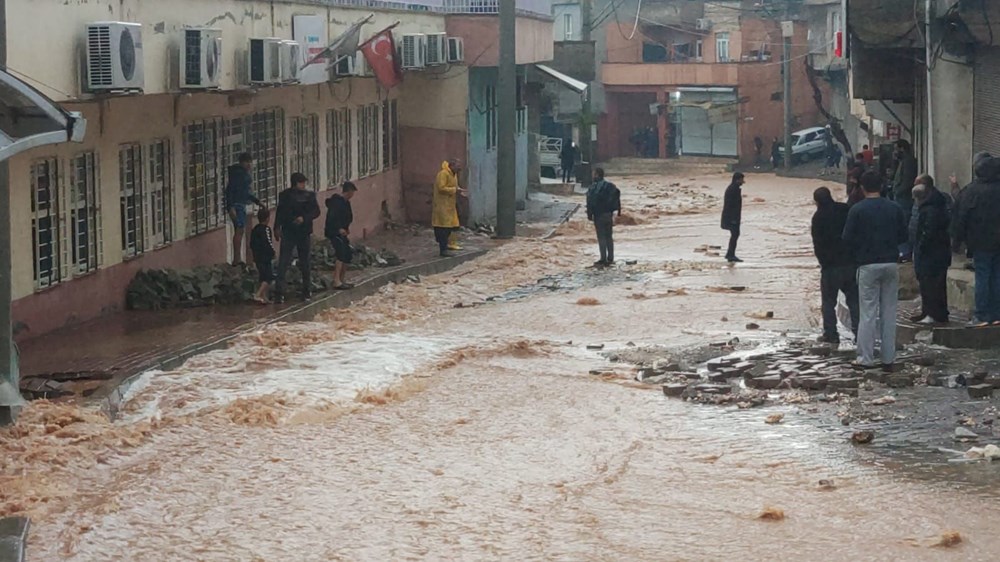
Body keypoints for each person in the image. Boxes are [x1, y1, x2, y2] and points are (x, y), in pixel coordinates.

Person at [842, 170, 909, 370]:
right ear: (881, 186)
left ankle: (866, 358)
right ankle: (889, 358)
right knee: (889, 312)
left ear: (862, 188)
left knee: (868, 313)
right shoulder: (895, 208)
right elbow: (903, 236)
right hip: (890, 263)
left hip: (867, 265)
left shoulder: (857, 210)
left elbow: (847, 238)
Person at [952, 154, 1000, 326]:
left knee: (983, 276)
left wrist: (957, 242)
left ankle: (981, 315)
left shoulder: (970, 191)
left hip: (980, 242)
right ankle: (996, 314)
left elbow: (960, 218)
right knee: (996, 276)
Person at [811, 187, 859, 345]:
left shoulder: (818, 218)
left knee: (828, 302)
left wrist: (823, 263)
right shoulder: (844, 209)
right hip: (850, 263)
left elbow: (817, 244)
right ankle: (860, 333)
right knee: (854, 301)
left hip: (830, 266)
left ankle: (831, 335)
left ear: (817, 202)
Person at [274, 173, 321, 303]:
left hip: (303, 232)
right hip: (289, 231)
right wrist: (277, 227)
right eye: (302, 183)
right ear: (296, 183)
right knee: (284, 262)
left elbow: (316, 211)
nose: (304, 185)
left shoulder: (309, 196)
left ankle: (306, 290)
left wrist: (304, 218)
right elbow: (280, 212)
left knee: (304, 262)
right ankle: (279, 292)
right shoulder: (285, 196)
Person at [910, 177, 952, 324]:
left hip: (933, 253)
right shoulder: (929, 203)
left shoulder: (932, 207)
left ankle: (935, 314)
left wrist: (920, 245)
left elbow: (929, 232)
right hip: (930, 252)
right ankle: (927, 311)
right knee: (926, 283)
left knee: (932, 284)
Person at [224, 153, 262, 265]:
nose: (250, 165)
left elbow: (245, 193)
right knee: (239, 230)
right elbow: (230, 191)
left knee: (239, 230)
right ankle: (236, 259)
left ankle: (237, 258)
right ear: (243, 162)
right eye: (248, 162)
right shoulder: (240, 175)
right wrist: (231, 207)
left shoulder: (238, 174)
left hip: (239, 204)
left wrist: (256, 201)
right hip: (238, 205)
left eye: (251, 162)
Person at [325, 181, 358, 291]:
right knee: (340, 254)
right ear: (348, 192)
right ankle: (336, 280)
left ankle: (342, 279)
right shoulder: (337, 203)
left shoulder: (346, 203)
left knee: (347, 254)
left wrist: (346, 228)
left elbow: (348, 217)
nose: (353, 195)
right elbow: (332, 218)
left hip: (343, 232)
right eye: (352, 192)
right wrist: (339, 228)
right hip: (334, 233)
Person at [586, 167, 621, 267]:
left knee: (601, 237)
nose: (592, 176)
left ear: (597, 175)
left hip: (599, 214)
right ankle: (610, 258)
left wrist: (589, 214)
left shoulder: (593, 187)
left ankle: (603, 258)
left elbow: (590, 201)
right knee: (609, 236)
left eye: (594, 174)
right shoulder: (610, 186)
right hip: (609, 214)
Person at [432, 160, 467, 257]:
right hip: (442, 205)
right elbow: (441, 188)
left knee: (453, 226)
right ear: (451, 166)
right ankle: (443, 249)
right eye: (457, 166)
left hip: (450, 206)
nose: (459, 168)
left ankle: (448, 245)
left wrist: (459, 190)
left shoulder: (453, 174)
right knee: (443, 228)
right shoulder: (443, 174)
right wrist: (454, 190)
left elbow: (454, 186)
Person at [892, 139, 919, 260]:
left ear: (902, 149)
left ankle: (906, 252)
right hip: (901, 197)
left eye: (896, 149)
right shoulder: (903, 161)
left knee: (904, 224)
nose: (895, 152)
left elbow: (907, 181)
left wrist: (898, 192)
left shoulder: (909, 161)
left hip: (904, 199)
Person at [250, 208, 276, 304]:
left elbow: (251, 244)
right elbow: (268, 242)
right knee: (268, 277)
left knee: (262, 276)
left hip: (257, 257)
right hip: (265, 257)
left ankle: (264, 297)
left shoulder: (254, 230)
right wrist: (272, 252)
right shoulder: (266, 229)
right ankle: (258, 294)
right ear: (267, 218)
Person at [721, 172, 745, 263]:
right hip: (731, 218)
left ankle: (730, 254)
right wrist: (733, 219)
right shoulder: (733, 189)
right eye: (741, 179)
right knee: (735, 234)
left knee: (735, 235)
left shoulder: (733, 188)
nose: (743, 181)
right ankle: (730, 254)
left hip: (732, 217)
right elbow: (731, 205)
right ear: (737, 179)